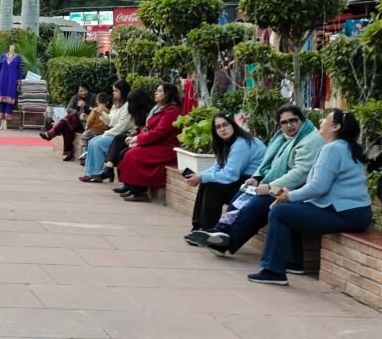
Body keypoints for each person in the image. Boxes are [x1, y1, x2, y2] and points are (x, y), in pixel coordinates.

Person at [249, 109, 373, 285]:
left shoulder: (332, 149)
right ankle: (293, 263)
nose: (322, 120)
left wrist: (289, 196)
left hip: (344, 213)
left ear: (336, 126)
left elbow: (318, 187)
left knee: (280, 212)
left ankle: (274, 271)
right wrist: (290, 197)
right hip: (356, 213)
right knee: (290, 209)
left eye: (327, 118)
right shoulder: (347, 147)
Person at [199, 105, 324, 256]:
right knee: (240, 196)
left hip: (294, 191)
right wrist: (256, 178)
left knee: (255, 205)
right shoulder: (281, 137)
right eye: (284, 122)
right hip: (275, 184)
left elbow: (300, 173)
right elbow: (267, 163)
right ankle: (219, 231)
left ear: (302, 120)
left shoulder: (310, 140)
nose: (289, 125)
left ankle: (224, 243)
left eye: (293, 120)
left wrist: (270, 186)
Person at [183, 113, 266, 243]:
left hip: (253, 183)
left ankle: (208, 231)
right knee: (207, 182)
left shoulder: (241, 143)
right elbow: (217, 167)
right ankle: (198, 228)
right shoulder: (225, 143)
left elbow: (230, 175)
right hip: (240, 179)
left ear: (232, 125)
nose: (222, 129)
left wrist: (203, 177)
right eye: (218, 127)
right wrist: (199, 175)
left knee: (213, 187)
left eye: (225, 125)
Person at [115, 82, 183, 201]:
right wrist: (137, 139)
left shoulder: (172, 111)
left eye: (160, 91)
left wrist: (138, 139)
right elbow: (149, 129)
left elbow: (160, 132)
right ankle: (132, 188)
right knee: (128, 152)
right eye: (156, 90)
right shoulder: (159, 108)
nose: (156, 93)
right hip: (155, 143)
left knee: (133, 154)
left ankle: (140, 192)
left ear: (168, 94)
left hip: (166, 146)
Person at [80, 80, 133, 181]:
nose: (113, 93)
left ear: (123, 91)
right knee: (92, 141)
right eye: (113, 91)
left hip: (122, 136)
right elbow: (110, 121)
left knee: (97, 143)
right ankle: (89, 173)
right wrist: (101, 114)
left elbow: (120, 127)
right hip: (113, 134)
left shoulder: (127, 107)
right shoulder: (116, 105)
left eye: (116, 91)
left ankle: (96, 174)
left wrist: (106, 134)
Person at [41, 84, 96, 161]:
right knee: (67, 126)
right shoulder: (75, 98)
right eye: (81, 91)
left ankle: (51, 134)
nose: (84, 92)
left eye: (85, 90)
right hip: (75, 122)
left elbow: (96, 110)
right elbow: (68, 109)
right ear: (78, 91)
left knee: (68, 119)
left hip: (87, 123)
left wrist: (85, 106)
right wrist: (78, 113)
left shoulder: (93, 97)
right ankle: (68, 153)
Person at [0, 44, 24, 130]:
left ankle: (6, 123)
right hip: (2, 80)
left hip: (12, 81)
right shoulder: (2, 56)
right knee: (1, 100)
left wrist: (19, 81)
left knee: (9, 101)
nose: (11, 48)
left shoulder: (18, 58)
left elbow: (19, 70)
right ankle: (2, 122)